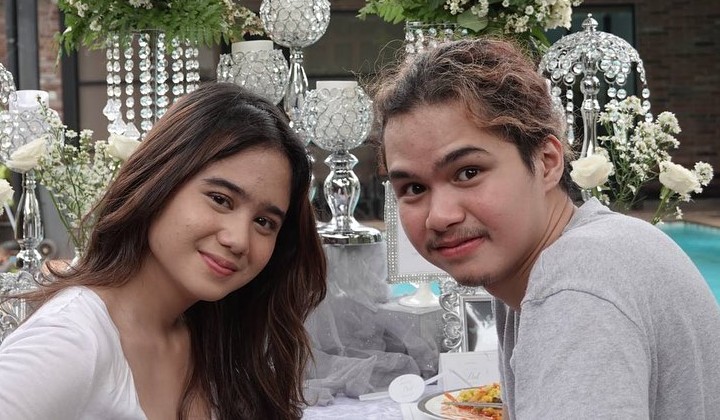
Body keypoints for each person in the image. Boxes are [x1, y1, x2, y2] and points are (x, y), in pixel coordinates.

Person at [372, 38, 720, 419]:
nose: (439, 216)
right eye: (414, 189)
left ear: (547, 162)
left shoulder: (575, 284)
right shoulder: (561, 264)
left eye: (468, 172)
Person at [0, 83, 327, 419]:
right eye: (220, 199)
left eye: (264, 222)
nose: (239, 240)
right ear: (160, 180)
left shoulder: (214, 335)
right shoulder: (71, 340)